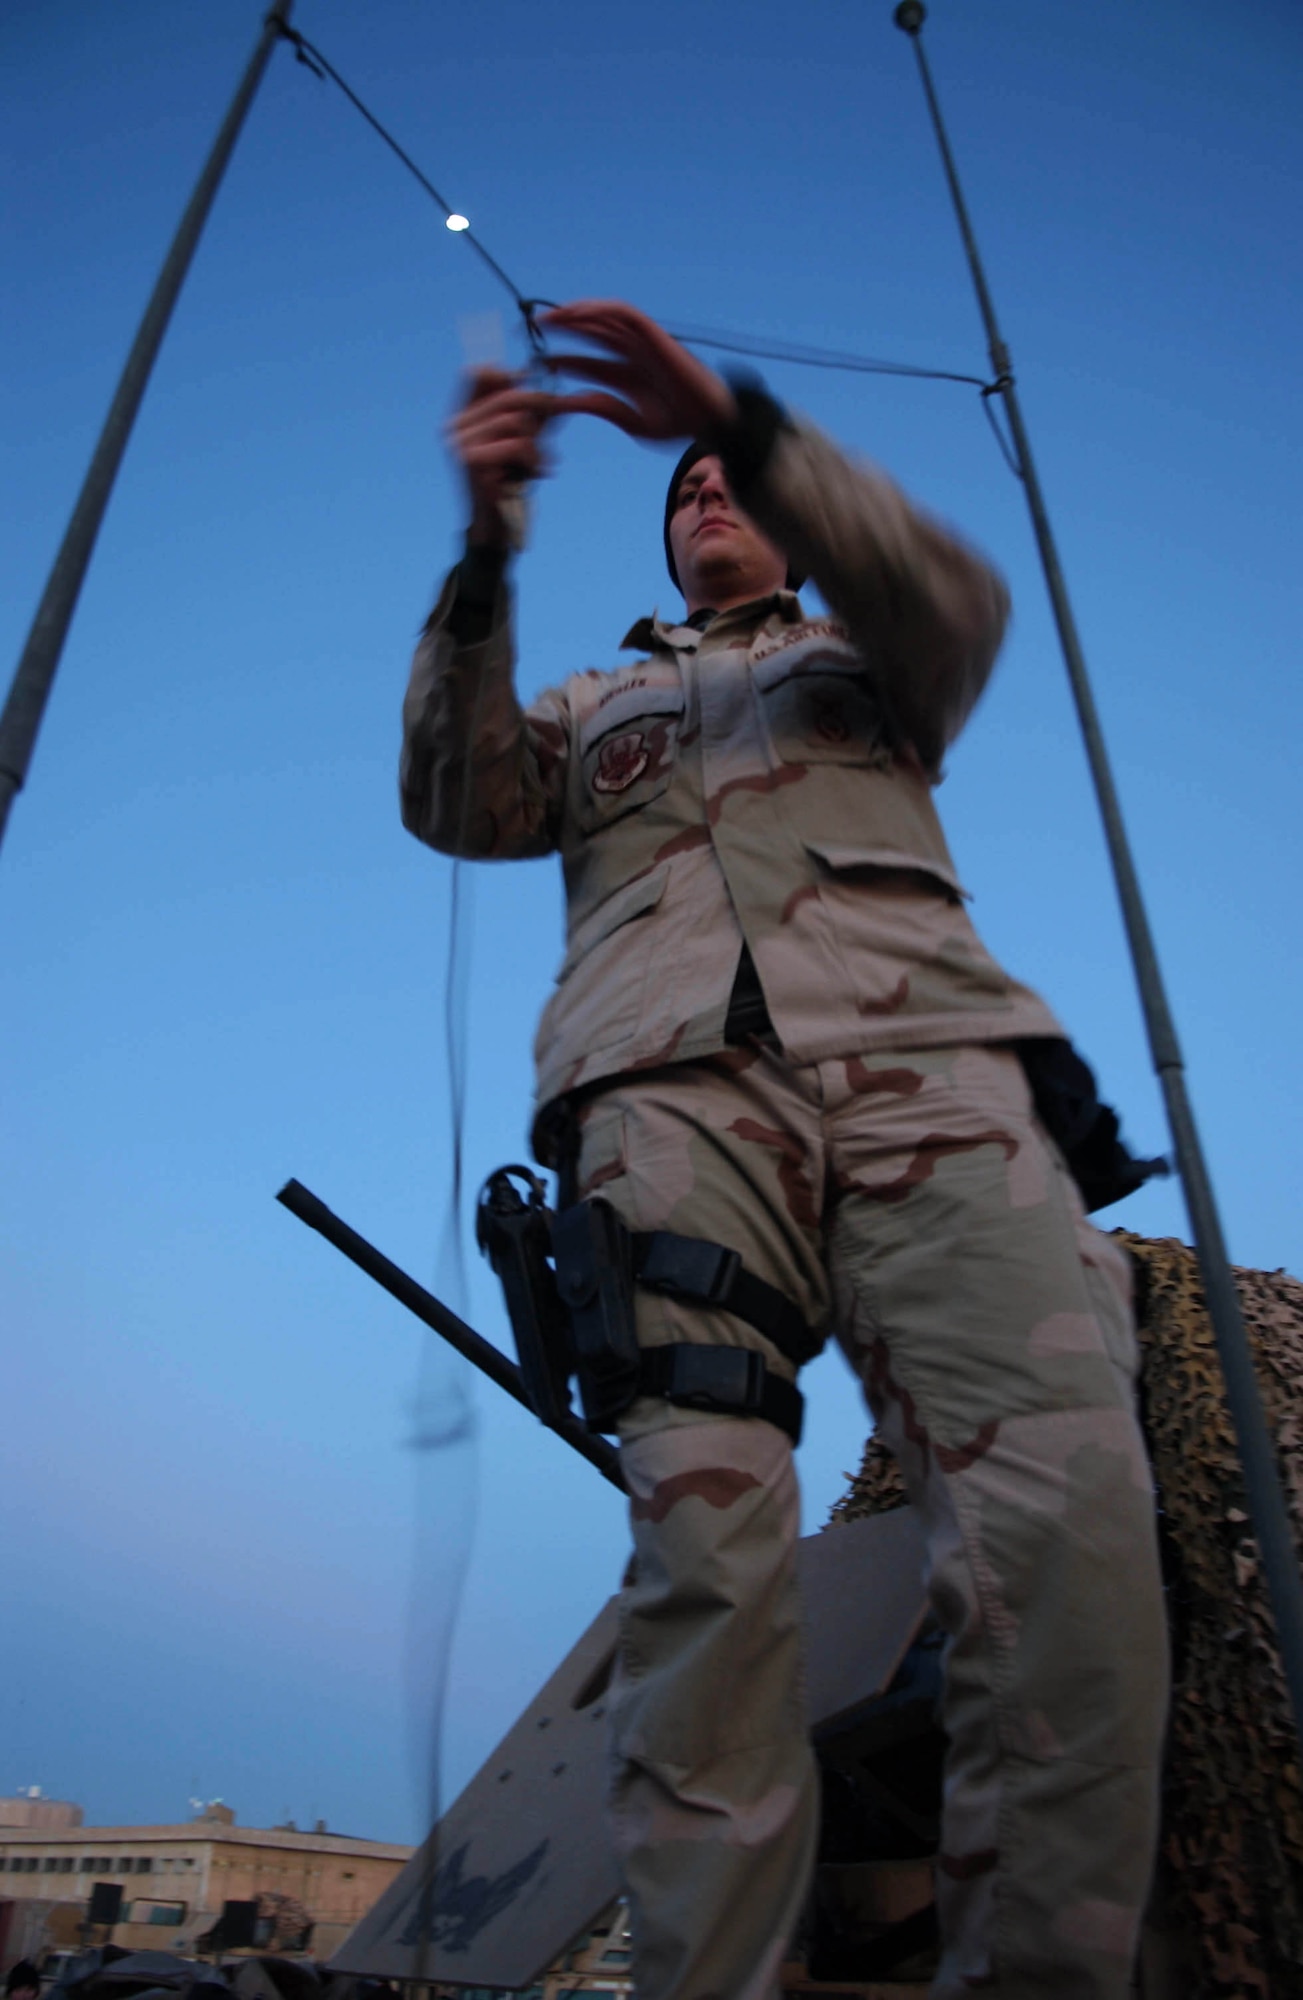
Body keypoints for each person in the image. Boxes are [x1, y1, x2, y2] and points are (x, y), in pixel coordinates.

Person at [400, 301, 1169, 2000]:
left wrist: (742, 419)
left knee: (1070, 1545)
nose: (702, 500)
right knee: (708, 1573)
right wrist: (485, 553)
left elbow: (956, 594)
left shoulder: (869, 658)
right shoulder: (596, 705)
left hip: (934, 1077)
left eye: (723, 482)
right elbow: (457, 796)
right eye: (676, 491)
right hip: (669, 1102)